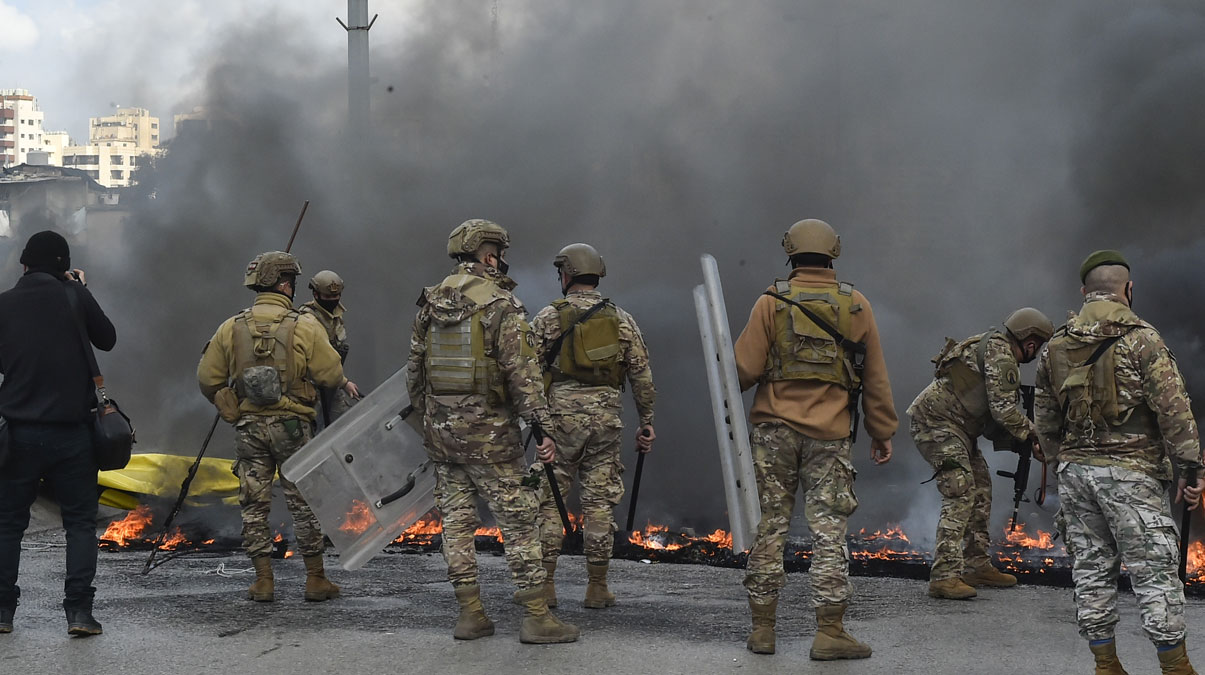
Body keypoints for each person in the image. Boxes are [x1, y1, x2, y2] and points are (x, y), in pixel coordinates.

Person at [406, 219, 579, 644]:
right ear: (489, 255)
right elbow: (523, 377)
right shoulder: (502, 306)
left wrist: (433, 422)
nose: (502, 262)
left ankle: (471, 615)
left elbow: (415, 374)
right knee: (519, 524)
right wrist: (543, 430)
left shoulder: (429, 304)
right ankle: (537, 618)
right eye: (500, 255)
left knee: (457, 524)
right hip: (492, 440)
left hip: (443, 438)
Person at [733, 219, 897, 660]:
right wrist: (882, 432)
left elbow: (743, 370)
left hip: (773, 433)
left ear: (789, 251)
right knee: (829, 532)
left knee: (770, 527)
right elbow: (875, 378)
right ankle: (829, 632)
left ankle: (763, 629)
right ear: (833, 252)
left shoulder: (770, 302)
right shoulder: (856, 305)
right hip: (830, 437)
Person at [1036, 250, 1203, 675]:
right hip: (1131, 474)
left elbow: (1045, 417)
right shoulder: (1142, 339)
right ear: (1129, 289)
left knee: (1091, 570)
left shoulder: (1056, 345)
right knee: (1155, 573)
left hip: (1076, 474)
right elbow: (1174, 410)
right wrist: (1191, 469)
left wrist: (1061, 463)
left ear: (1084, 292)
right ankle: (1176, 669)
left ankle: (1106, 665)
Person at [197, 251, 359, 603]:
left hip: (249, 428)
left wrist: (228, 403)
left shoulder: (231, 327)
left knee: (253, 504)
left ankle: (263, 582)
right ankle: (315, 579)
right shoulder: (305, 325)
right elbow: (331, 374)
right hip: (292, 426)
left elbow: (208, 378)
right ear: (285, 285)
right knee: (304, 502)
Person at [0, 230, 116, 636]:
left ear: (24, 264)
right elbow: (107, 339)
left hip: (17, 434)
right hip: (73, 435)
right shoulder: (75, 296)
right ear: (65, 267)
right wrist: (81, 290)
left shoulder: (4, 303)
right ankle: (79, 613)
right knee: (80, 524)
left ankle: (2, 612)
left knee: (8, 524)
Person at [530, 243, 656, 609]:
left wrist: (535, 420)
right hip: (605, 422)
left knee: (550, 502)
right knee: (599, 503)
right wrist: (646, 422)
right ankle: (597, 588)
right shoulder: (622, 319)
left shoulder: (549, 317)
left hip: (560, 422)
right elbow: (642, 376)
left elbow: (524, 370)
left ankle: (546, 587)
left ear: (566, 275)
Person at [908, 307, 1053, 600]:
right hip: (936, 425)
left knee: (981, 488)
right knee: (960, 491)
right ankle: (944, 576)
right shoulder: (1002, 357)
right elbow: (1004, 412)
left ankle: (976, 565)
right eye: (1037, 346)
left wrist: (1027, 437)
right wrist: (1035, 435)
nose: (1036, 352)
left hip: (957, 429)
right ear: (1029, 342)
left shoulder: (994, 346)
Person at [299, 270, 356, 425]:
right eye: (328, 297)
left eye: (336, 296)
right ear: (316, 294)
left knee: (345, 422)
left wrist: (343, 383)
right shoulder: (307, 320)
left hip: (331, 384)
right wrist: (343, 382)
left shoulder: (335, 317)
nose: (333, 300)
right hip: (311, 387)